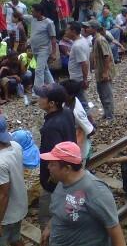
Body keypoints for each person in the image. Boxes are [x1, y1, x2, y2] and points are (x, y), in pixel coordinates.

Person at [40, 141, 126, 246]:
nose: (48, 167)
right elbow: (59, 212)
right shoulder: (62, 182)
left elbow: (114, 228)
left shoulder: (96, 190)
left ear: (67, 168)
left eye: (52, 164)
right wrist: (50, 227)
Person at [35, 83, 76, 230]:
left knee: (46, 218)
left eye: (41, 97)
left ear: (52, 103)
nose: (38, 99)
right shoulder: (66, 112)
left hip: (55, 182)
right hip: (69, 171)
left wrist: (51, 179)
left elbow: (55, 156)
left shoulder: (51, 127)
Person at [0, 116, 28, 246]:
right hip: (20, 205)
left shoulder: (1, 162)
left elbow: (3, 195)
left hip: (6, 215)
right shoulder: (16, 145)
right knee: (15, 238)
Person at [84, 19, 116, 120]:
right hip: (100, 71)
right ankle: (107, 113)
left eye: (88, 27)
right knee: (102, 93)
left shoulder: (100, 40)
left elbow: (107, 57)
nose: (86, 29)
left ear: (94, 29)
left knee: (106, 93)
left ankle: (110, 115)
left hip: (104, 71)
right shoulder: (95, 39)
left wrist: (106, 72)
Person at [61, 79, 94, 165]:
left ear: (70, 95)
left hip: (79, 145)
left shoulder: (76, 112)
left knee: (80, 162)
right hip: (73, 141)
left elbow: (90, 130)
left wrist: (78, 132)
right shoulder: (69, 101)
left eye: (62, 92)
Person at [30, 3, 56, 94]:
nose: (31, 13)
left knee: (39, 70)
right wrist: (12, 7)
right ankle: (53, 86)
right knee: (44, 69)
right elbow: (20, 15)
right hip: (35, 49)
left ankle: (37, 92)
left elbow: (53, 38)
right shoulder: (32, 19)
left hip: (44, 49)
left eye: (33, 11)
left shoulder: (49, 22)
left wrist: (53, 53)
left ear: (39, 12)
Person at [66, 21, 90, 111]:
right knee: (76, 101)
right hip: (78, 77)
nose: (66, 31)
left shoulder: (77, 45)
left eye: (67, 29)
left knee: (82, 102)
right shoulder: (82, 40)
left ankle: (90, 123)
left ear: (73, 31)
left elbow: (84, 63)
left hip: (78, 79)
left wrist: (85, 79)